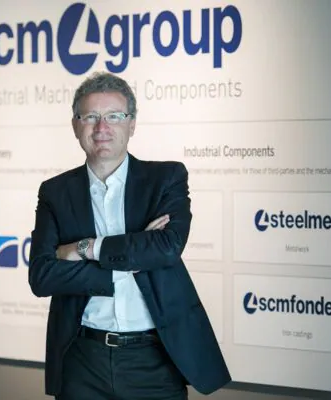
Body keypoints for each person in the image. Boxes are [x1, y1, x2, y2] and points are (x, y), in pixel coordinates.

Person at [28, 71, 231, 400]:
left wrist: (85, 249)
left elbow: (166, 247)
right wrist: (133, 257)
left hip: (154, 360)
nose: (101, 127)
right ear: (75, 125)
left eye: (114, 116)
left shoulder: (166, 179)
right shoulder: (55, 192)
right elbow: (42, 277)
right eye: (90, 117)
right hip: (83, 360)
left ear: (132, 124)